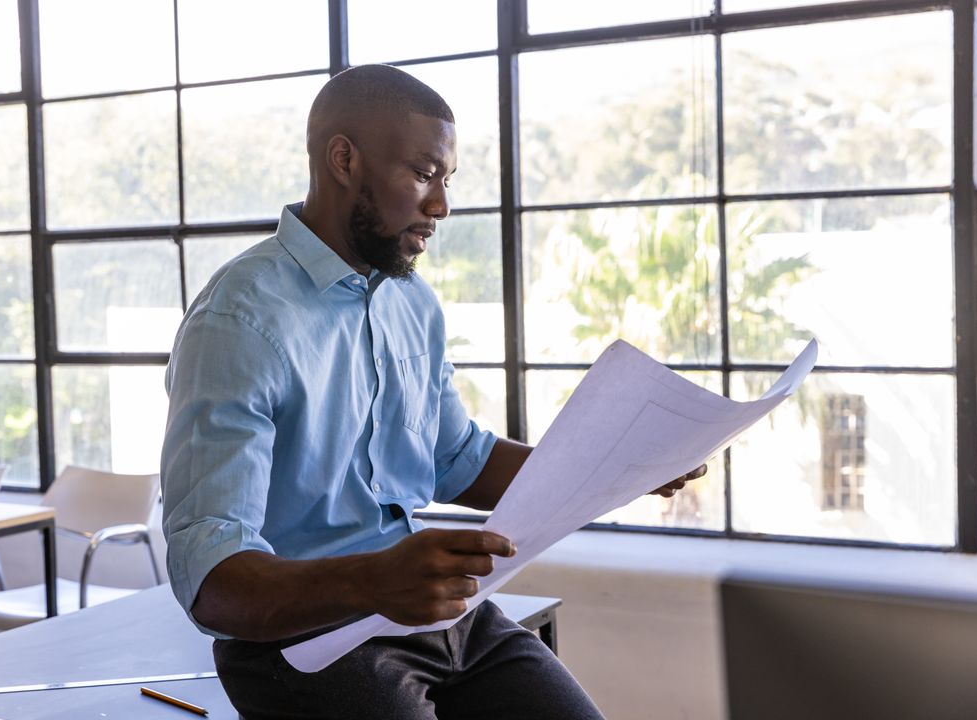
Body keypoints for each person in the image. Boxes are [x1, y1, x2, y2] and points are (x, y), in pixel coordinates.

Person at [160, 64, 703, 720]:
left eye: (447, 180)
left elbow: (455, 459)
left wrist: (616, 466)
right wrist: (372, 579)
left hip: (432, 613)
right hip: (303, 639)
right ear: (343, 160)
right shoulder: (238, 320)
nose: (441, 205)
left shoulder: (410, 301)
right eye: (423, 174)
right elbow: (210, 577)